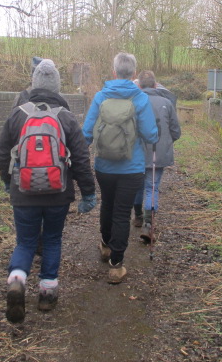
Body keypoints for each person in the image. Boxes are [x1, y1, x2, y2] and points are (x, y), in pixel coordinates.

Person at [0, 59, 97, 323]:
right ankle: (47, 294)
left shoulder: (18, 113)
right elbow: (82, 159)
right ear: (57, 87)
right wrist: (88, 193)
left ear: (34, 84)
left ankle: (17, 279)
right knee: (52, 239)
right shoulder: (65, 117)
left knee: (26, 241)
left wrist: (8, 180)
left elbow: (1, 150)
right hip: (57, 192)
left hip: (23, 191)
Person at [82, 53, 158, 284]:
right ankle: (116, 266)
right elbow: (151, 134)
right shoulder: (140, 98)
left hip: (104, 166)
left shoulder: (100, 96)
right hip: (131, 168)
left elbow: (86, 132)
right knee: (122, 213)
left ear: (114, 72)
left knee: (107, 204)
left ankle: (105, 246)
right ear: (134, 74)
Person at [132, 70, 181, 241]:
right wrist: (165, 143)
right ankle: (148, 224)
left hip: (137, 153)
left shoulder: (134, 102)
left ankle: (138, 216)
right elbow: (176, 131)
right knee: (151, 187)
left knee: (138, 186)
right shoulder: (166, 103)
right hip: (157, 154)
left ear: (139, 85)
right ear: (155, 85)